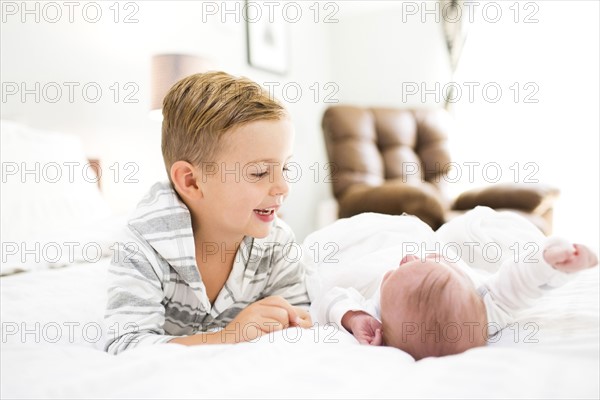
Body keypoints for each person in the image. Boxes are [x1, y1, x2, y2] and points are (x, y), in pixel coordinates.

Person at [104, 72, 312, 355]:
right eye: (260, 172)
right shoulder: (140, 247)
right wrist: (229, 336)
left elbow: (301, 321)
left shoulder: (277, 243)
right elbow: (125, 345)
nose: (283, 187)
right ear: (191, 181)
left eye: (285, 168)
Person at [308, 206, 598, 360]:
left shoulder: (376, 317)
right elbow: (519, 282)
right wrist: (548, 261)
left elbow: (331, 295)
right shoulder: (486, 308)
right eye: (422, 261)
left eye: (392, 274)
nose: (407, 256)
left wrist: (351, 315)